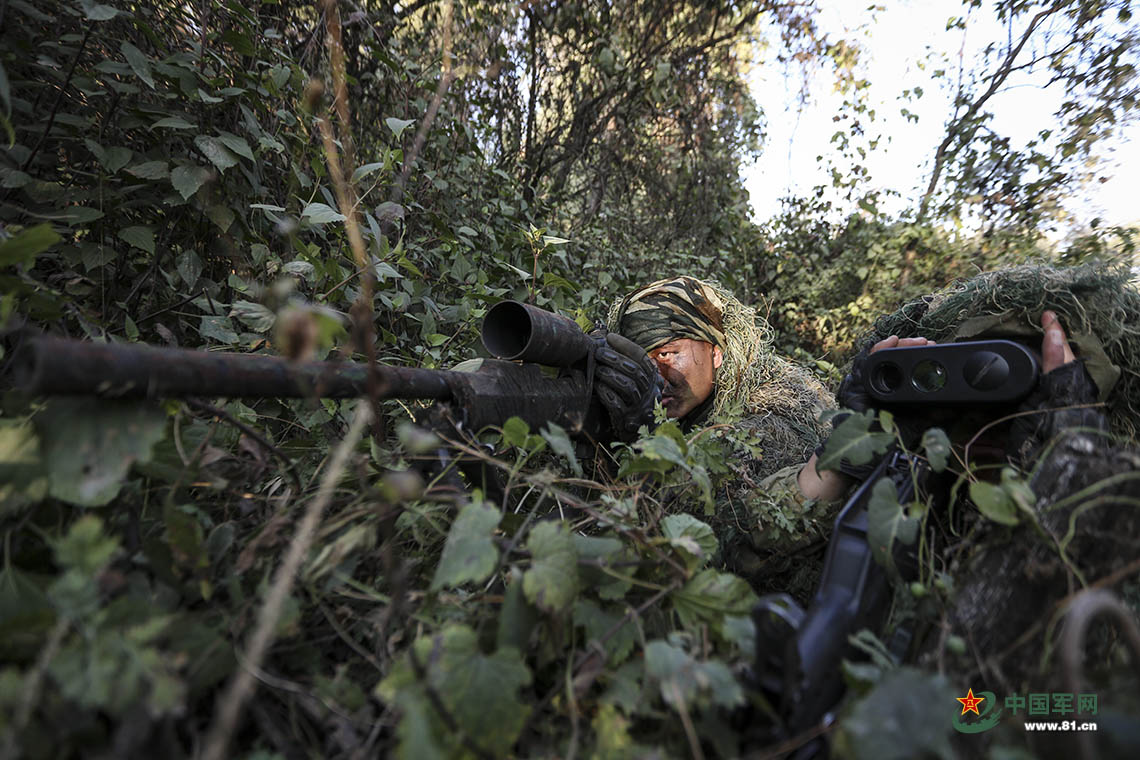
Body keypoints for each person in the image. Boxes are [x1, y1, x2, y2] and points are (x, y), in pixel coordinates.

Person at [593, 276, 839, 595]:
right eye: (643, 362)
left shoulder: (769, 418)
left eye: (669, 354)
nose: (657, 377)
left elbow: (726, 540)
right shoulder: (692, 401)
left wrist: (643, 442)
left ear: (716, 352)